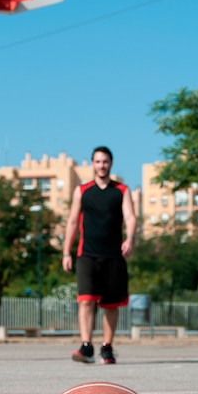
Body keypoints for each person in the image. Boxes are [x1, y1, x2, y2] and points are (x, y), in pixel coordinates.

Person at [62, 146, 136, 364]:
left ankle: (107, 347)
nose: (101, 165)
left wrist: (130, 238)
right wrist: (66, 252)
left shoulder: (121, 191)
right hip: (87, 254)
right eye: (97, 161)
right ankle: (86, 347)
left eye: (105, 161)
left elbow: (131, 217)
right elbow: (73, 222)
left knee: (111, 305)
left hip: (113, 255)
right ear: (92, 164)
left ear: (110, 163)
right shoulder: (82, 191)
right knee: (85, 301)